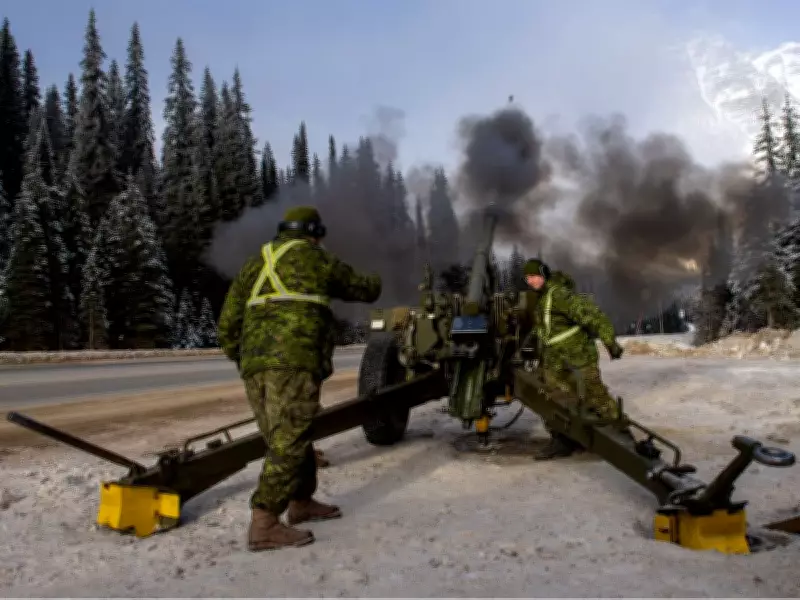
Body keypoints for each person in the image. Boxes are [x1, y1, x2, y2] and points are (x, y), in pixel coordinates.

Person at [217, 206, 382, 551]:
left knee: (289, 433)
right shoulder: (315, 258)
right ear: (313, 232)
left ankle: (301, 502)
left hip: (254, 366)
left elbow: (228, 322)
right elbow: (364, 289)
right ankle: (264, 522)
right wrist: (381, 275)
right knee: (289, 441)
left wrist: (246, 357)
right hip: (295, 360)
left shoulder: (256, 262)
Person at [521, 258, 626, 460]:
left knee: (596, 396)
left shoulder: (560, 295)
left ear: (543, 274)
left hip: (578, 356)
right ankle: (563, 439)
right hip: (555, 360)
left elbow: (595, 316)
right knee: (556, 400)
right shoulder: (543, 298)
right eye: (528, 278)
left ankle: (621, 433)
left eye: (534, 276)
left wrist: (610, 342)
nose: (531, 281)